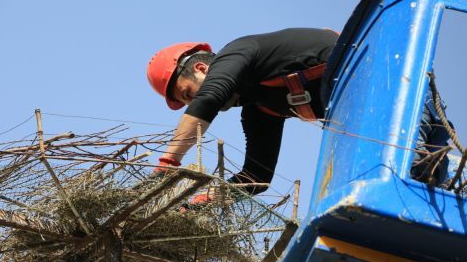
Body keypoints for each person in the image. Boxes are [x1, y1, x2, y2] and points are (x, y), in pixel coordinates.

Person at [146, 28, 449, 201]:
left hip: (393, 87)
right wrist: (209, 199)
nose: (192, 104)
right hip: (379, 112)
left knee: (406, 178)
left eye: (187, 94)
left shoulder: (236, 52)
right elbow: (256, 178)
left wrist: (169, 160)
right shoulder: (258, 110)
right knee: (424, 192)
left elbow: (210, 97)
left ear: (201, 68)